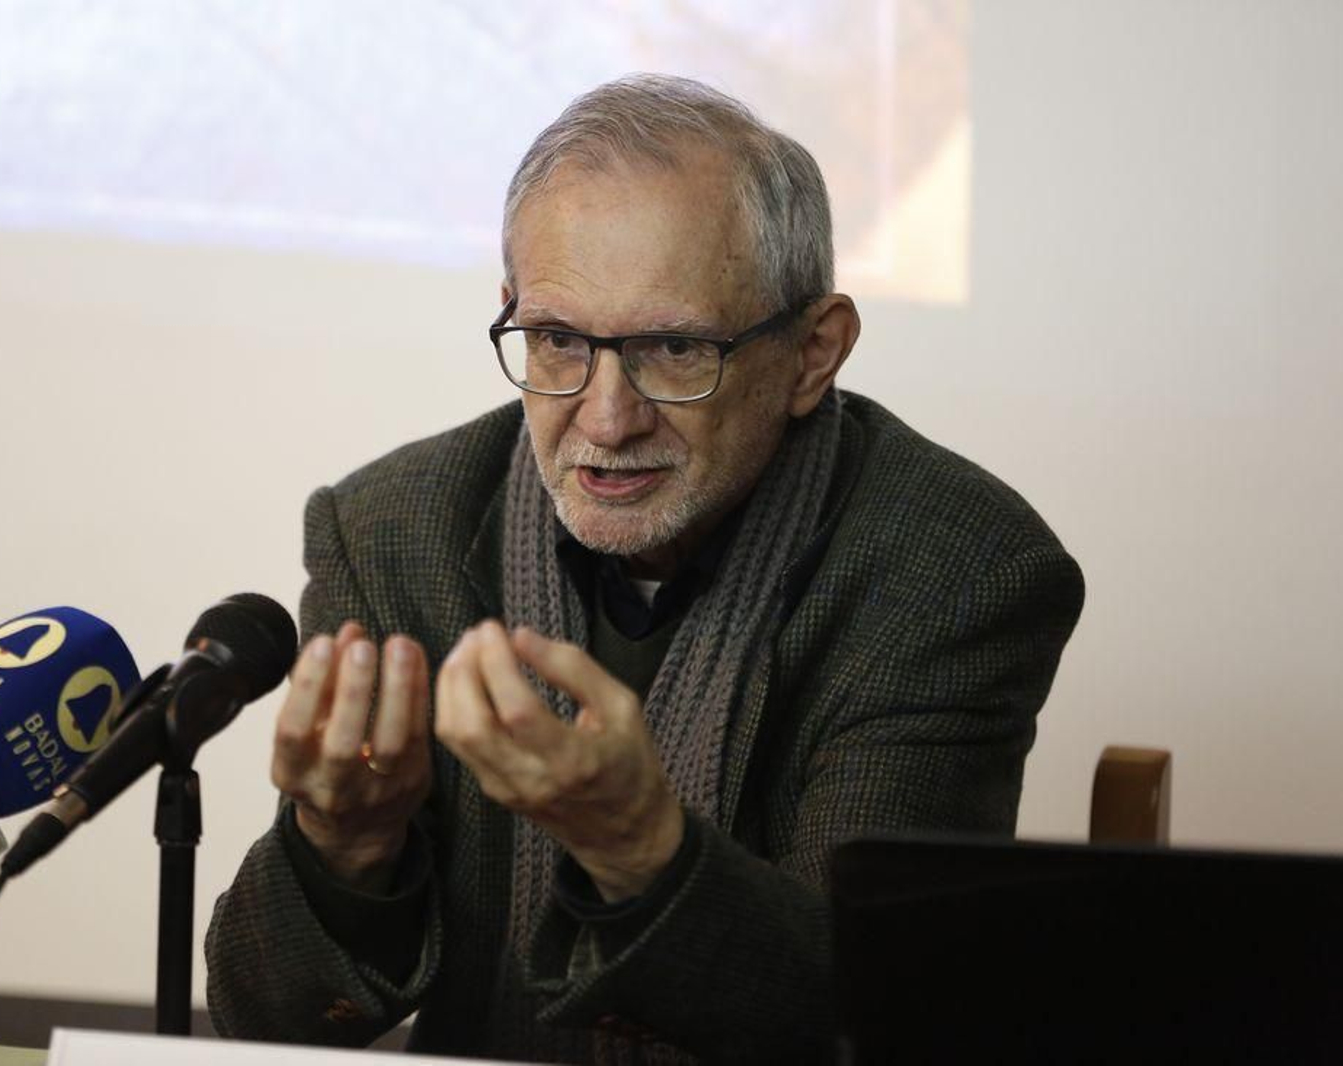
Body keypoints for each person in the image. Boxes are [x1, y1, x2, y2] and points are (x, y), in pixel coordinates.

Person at [205, 74, 1083, 1063]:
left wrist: (639, 847)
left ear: (812, 352)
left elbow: (875, 1018)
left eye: (672, 347)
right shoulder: (389, 532)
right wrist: (344, 849)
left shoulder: (954, 571)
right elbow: (258, 1023)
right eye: (560, 340)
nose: (606, 416)